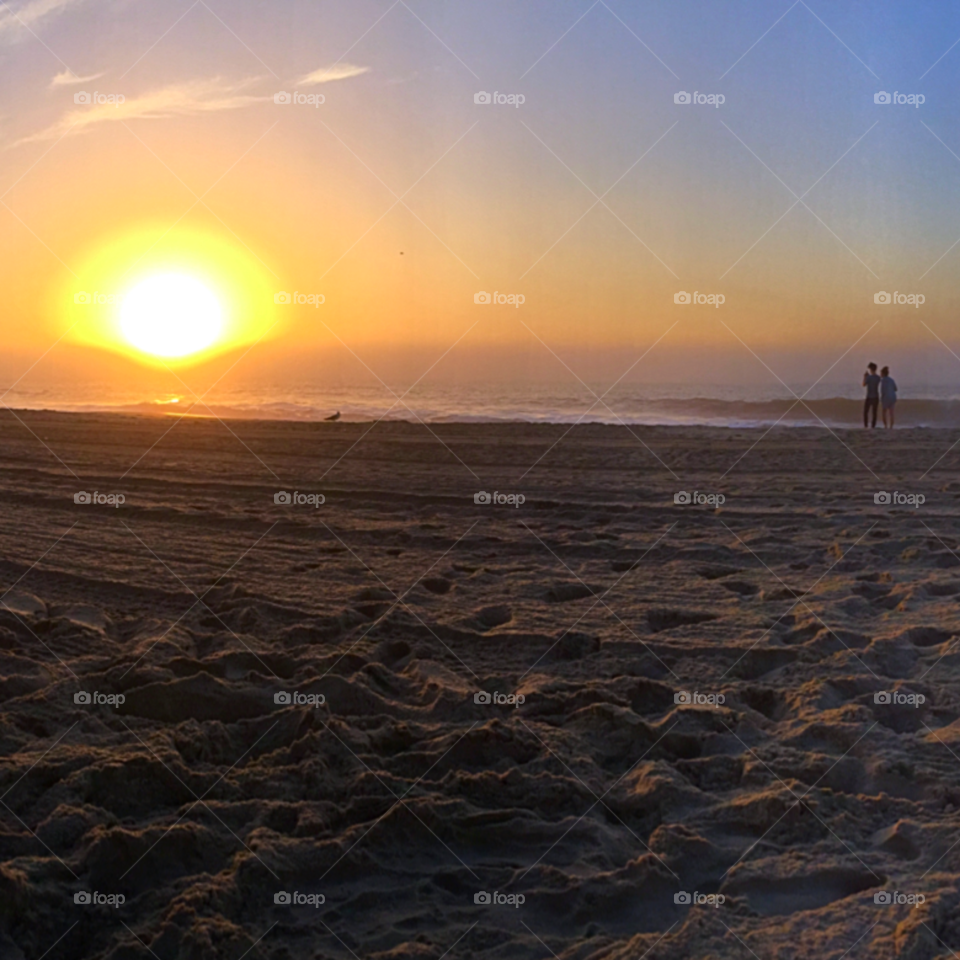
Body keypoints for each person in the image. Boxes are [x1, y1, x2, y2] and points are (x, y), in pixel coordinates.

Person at [862, 362, 880, 428]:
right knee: (874, 413)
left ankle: (866, 425)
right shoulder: (878, 378)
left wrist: (865, 377)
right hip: (876, 396)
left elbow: (863, 384)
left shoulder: (868, 378)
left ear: (871, 369)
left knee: (865, 412)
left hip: (869, 396)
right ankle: (873, 426)